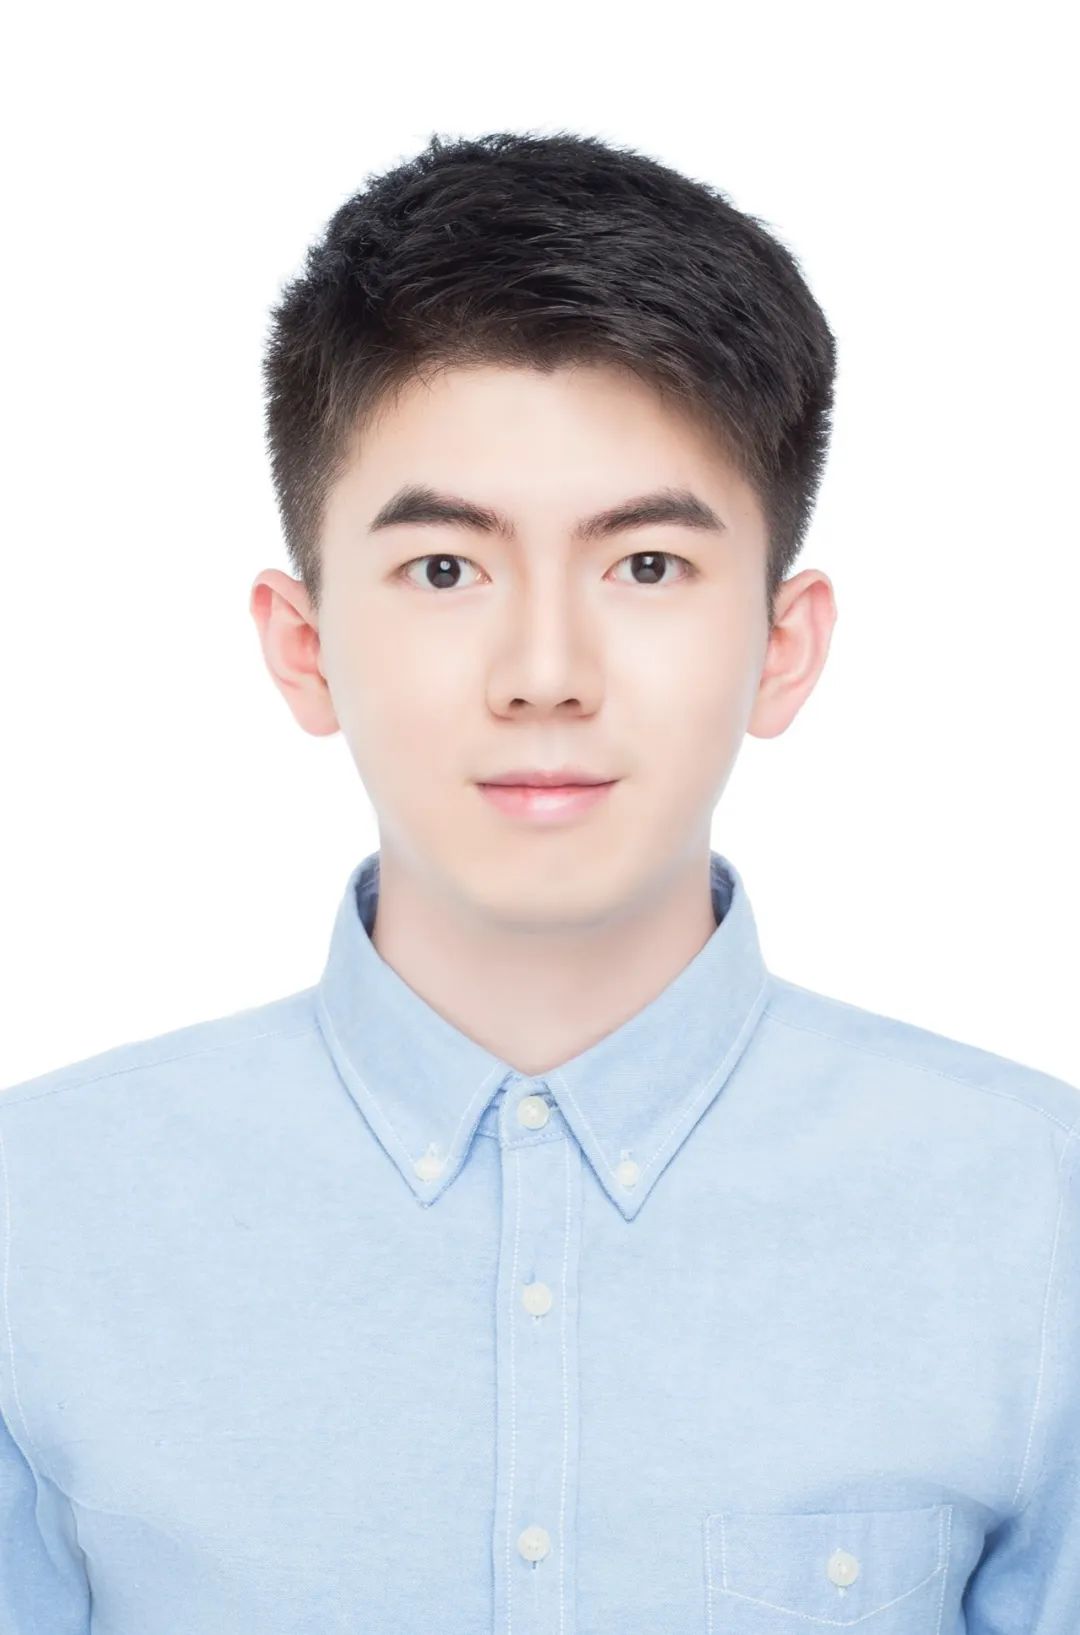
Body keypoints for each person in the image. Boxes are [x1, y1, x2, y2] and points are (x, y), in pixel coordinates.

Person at [1, 129, 1076, 1634]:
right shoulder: (37, 1215)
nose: (546, 673)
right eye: (446, 569)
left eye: (647, 567)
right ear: (305, 646)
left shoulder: (1039, 1215)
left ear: (783, 647)